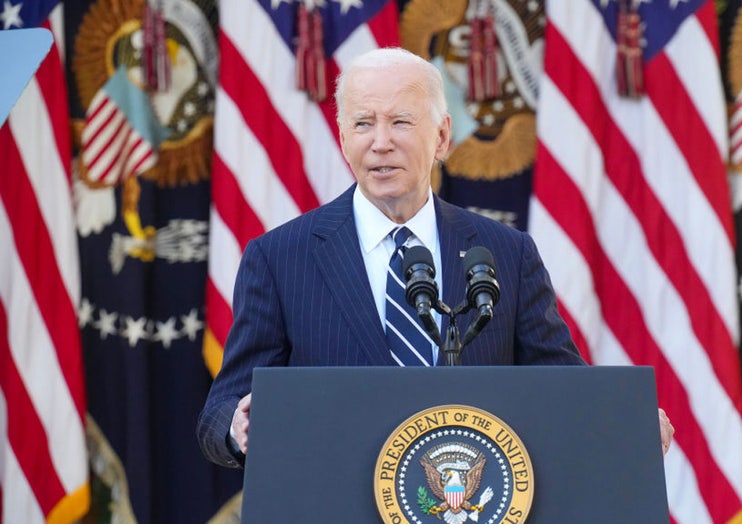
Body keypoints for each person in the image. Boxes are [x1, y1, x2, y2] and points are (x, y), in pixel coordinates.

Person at [197, 47, 673, 469]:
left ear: (442, 136)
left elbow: (562, 390)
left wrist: (624, 422)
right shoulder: (279, 259)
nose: (380, 142)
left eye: (400, 121)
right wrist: (237, 429)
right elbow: (223, 407)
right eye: (363, 123)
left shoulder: (506, 254)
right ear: (343, 139)